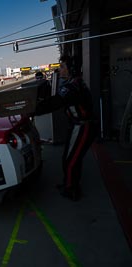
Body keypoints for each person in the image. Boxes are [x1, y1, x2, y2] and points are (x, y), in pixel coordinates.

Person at [35, 55, 97, 201]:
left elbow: (54, 103)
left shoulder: (72, 87)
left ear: (72, 69)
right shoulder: (76, 83)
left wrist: (32, 109)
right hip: (77, 125)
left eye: (62, 66)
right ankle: (69, 183)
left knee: (71, 160)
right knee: (68, 158)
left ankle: (72, 190)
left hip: (83, 127)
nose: (60, 69)